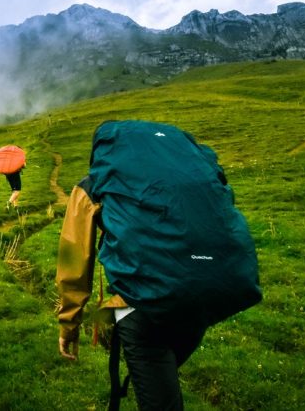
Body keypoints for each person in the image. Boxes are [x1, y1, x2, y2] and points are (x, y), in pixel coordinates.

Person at [56, 173, 207, 411]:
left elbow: (74, 259)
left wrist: (69, 324)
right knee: (162, 382)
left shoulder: (96, 181)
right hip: (198, 297)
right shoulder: (185, 170)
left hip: (139, 306)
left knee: (160, 392)